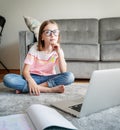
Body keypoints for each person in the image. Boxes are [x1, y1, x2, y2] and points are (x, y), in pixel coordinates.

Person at [3, 20, 75, 96]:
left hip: (48, 79)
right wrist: (31, 81)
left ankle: (32, 88)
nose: (52, 35)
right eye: (48, 32)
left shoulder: (58, 51)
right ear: (41, 37)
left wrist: (59, 53)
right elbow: (25, 72)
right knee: (8, 79)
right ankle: (49, 90)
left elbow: (63, 72)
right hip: (33, 77)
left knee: (70, 77)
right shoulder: (34, 49)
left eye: (55, 32)